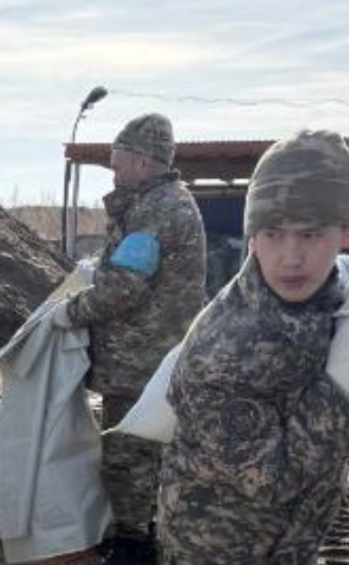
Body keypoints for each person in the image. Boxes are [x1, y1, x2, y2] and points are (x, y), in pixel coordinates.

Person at [158, 130, 349, 564]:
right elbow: (272, 480)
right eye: (273, 233)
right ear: (252, 236)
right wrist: (344, 378)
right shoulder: (221, 347)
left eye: (310, 234)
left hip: (302, 535)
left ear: (347, 231)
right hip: (214, 544)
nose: (290, 257)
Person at [50, 113, 206, 563]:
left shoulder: (156, 210)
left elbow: (125, 286)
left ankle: (133, 545)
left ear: (141, 161)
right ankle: (144, 534)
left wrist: (70, 312)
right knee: (150, 452)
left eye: (118, 164)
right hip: (154, 356)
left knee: (127, 453)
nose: (114, 172)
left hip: (140, 360)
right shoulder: (167, 202)